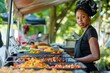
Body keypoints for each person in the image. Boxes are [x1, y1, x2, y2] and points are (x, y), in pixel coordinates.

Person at [74, 0, 100, 72]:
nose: (80, 20)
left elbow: (96, 56)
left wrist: (76, 60)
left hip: (88, 70)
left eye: (83, 17)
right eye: (77, 18)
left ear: (89, 17)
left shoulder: (90, 31)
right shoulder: (85, 32)